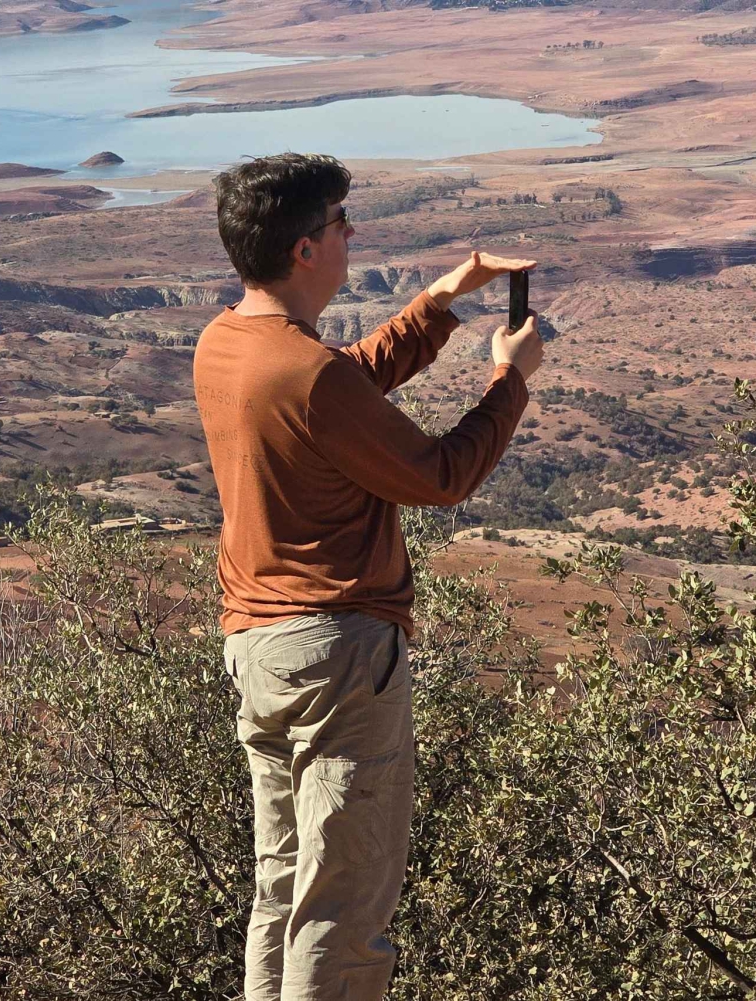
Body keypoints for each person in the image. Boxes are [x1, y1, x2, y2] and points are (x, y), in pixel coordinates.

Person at [193, 152, 542, 1001]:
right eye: (342, 223)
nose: (352, 235)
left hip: (260, 651)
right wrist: (510, 381)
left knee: (283, 887)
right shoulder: (305, 372)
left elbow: (342, 385)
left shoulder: (225, 343)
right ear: (305, 249)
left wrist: (440, 300)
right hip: (338, 657)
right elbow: (441, 475)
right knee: (344, 907)